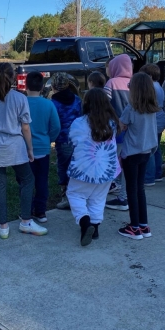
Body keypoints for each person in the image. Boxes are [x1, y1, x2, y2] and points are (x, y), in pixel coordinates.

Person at [0, 63, 46, 238]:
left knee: (0, 184)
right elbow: (25, 127)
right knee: (27, 179)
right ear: (13, 77)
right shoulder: (19, 98)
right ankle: (25, 221)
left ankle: (3, 226)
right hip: (15, 146)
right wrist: (30, 149)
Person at [66, 89, 120, 246]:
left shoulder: (79, 123)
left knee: (75, 194)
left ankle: (85, 222)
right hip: (107, 169)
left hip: (84, 169)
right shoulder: (112, 123)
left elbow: (72, 141)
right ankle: (95, 228)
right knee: (98, 198)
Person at [118, 72, 159, 240]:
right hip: (146, 151)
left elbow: (122, 126)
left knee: (131, 189)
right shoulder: (152, 108)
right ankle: (143, 224)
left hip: (132, 153)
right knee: (140, 188)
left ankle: (134, 227)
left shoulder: (131, 108)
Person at [25, 72, 61, 223]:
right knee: (42, 181)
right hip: (43, 149)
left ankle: (26, 210)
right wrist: (48, 140)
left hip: (25, 149)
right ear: (42, 87)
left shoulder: (21, 103)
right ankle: (40, 212)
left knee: (26, 182)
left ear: (26, 85)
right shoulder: (48, 104)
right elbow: (56, 127)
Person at [103, 54, 132, 211]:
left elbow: (104, 105)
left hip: (115, 129)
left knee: (115, 162)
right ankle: (122, 192)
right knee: (126, 161)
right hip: (132, 130)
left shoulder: (111, 83)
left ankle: (119, 194)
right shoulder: (133, 82)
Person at [51, 72, 82, 209]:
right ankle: (78, 194)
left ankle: (67, 197)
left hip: (62, 139)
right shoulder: (77, 99)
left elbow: (53, 123)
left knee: (63, 167)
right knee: (75, 166)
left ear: (53, 86)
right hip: (78, 139)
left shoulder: (53, 103)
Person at [140, 64, 165, 186]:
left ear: (149, 76)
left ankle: (149, 177)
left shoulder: (151, 87)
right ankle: (157, 173)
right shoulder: (158, 86)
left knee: (149, 148)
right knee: (156, 148)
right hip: (160, 118)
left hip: (154, 119)